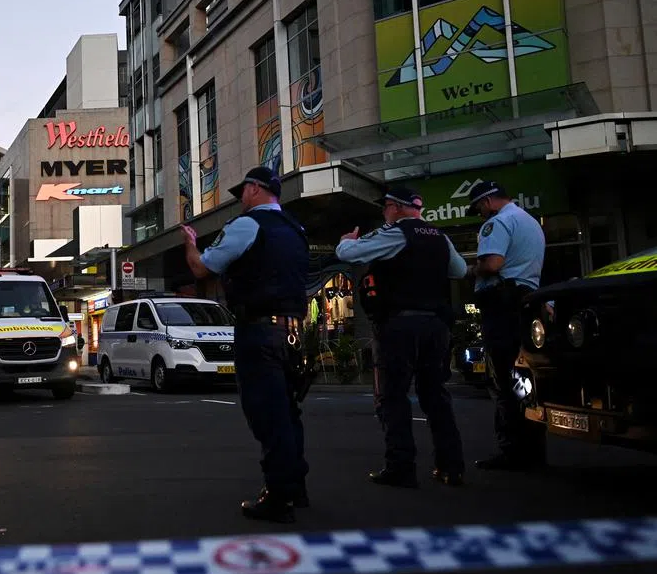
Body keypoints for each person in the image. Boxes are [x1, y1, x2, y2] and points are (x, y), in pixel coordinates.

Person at [181, 166, 310, 523]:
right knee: (288, 410)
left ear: (255, 189)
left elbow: (202, 269)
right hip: (294, 331)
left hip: (259, 330)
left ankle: (279, 496)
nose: (240, 198)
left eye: (243, 191)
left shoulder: (248, 224)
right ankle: (296, 487)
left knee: (268, 414)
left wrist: (191, 244)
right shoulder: (296, 229)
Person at [336, 185, 468, 487]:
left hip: (399, 326)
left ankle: (401, 466)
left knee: (393, 395)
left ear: (395, 207)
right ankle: (451, 466)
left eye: (386, 208)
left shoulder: (397, 234)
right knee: (435, 395)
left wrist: (346, 243)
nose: (385, 213)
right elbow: (459, 270)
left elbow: (351, 254)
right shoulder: (440, 237)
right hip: (436, 326)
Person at [467, 180, 547, 471]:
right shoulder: (529, 222)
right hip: (526, 305)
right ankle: (535, 451)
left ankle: (512, 450)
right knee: (526, 381)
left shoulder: (497, 223)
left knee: (503, 380)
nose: (479, 214)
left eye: (478, 208)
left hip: (502, 308)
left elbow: (492, 264)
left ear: (488, 202)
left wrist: (471, 270)